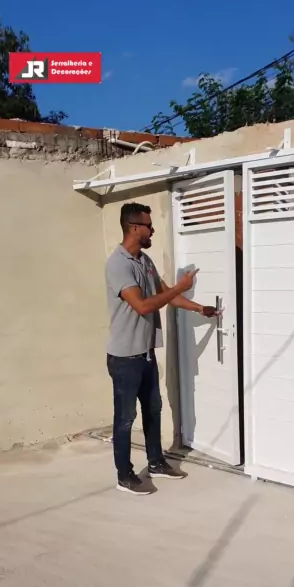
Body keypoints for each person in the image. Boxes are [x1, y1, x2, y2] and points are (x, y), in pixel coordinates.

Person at [105, 202, 218, 495]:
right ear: (134, 228)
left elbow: (164, 295)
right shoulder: (118, 265)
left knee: (153, 409)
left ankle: (155, 463)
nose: (152, 230)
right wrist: (181, 287)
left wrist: (199, 308)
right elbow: (143, 306)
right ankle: (124, 476)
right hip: (125, 357)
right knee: (125, 419)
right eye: (148, 225)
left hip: (145, 354)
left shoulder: (144, 261)